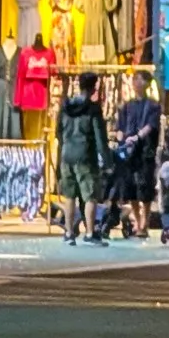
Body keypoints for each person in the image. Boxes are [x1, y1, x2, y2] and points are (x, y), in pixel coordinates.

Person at [57, 72, 112, 245]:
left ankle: (69, 233)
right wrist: (108, 161)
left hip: (66, 154)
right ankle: (89, 233)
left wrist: (64, 146)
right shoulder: (93, 110)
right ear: (93, 88)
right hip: (85, 156)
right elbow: (99, 138)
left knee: (69, 195)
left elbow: (58, 132)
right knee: (90, 195)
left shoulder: (65, 107)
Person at [114, 72, 162, 240]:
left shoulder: (153, 106)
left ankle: (145, 222)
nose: (135, 82)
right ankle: (138, 220)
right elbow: (120, 126)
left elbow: (151, 125)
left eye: (138, 79)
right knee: (130, 187)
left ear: (147, 83)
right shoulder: (127, 106)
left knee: (145, 187)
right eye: (134, 79)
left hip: (145, 152)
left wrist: (137, 137)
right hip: (129, 153)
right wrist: (120, 138)